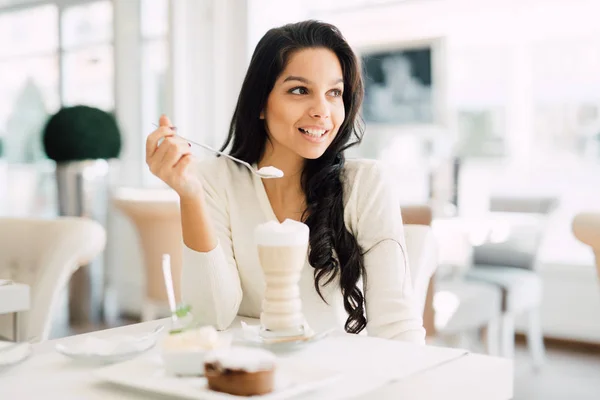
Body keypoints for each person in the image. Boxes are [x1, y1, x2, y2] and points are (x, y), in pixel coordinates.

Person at [146, 20, 425, 343]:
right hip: (248, 380)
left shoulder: (365, 184)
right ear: (261, 103)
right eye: (299, 90)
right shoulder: (212, 179)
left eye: (334, 92)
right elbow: (210, 317)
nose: (322, 110)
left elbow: (397, 326)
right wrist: (190, 195)